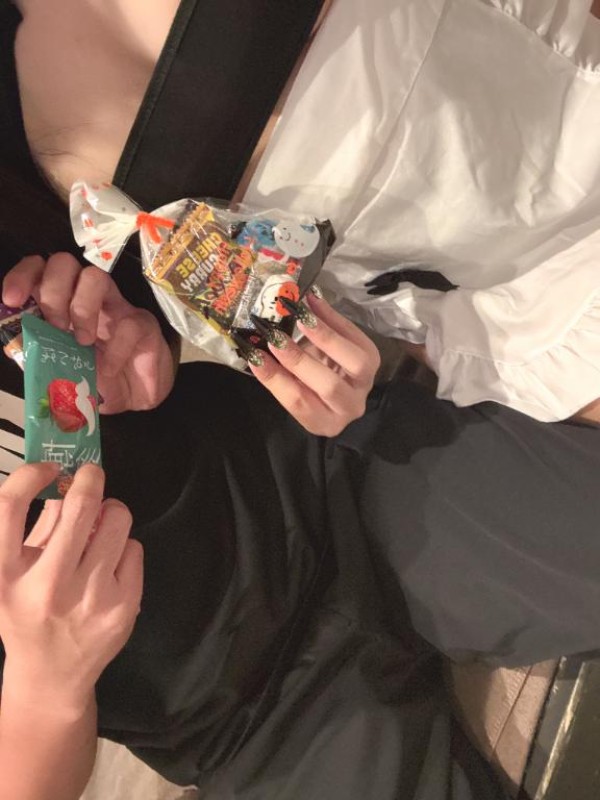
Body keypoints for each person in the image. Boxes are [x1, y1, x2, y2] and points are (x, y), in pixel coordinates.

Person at [1, 1, 600, 798]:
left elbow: (140, 280)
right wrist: (45, 689)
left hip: (327, 463)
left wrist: (134, 338)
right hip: (247, 717)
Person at [9, 0, 600, 422]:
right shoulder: (31, 119)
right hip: (491, 309)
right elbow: (351, 287)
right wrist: (314, 363)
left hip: (546, 115)